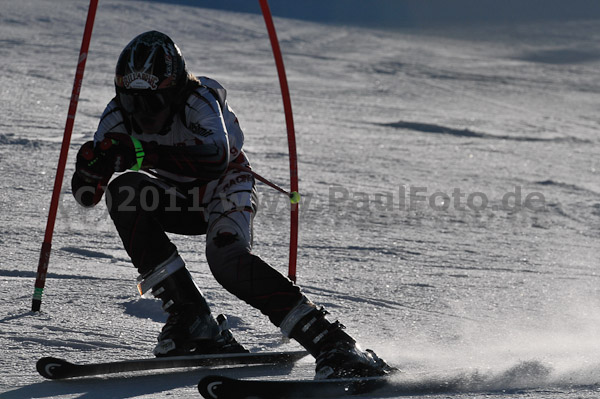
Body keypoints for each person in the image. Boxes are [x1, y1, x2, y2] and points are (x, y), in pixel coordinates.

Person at [71, 30, 392, 379]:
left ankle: (333, 342)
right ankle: (193, 319)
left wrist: (141, 151)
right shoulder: (117, 114)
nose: (142, 113)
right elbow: (88, 196)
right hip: (176, 195)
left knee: (226, 259)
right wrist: (91, 170)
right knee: (125, 191)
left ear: (175, 91)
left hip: (224, 184)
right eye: (132, 101)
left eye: (153, 102)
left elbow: (215, 158)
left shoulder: (198, 99)